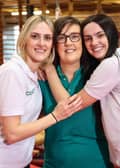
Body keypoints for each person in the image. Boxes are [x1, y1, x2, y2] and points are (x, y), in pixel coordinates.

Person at [43, 14, 120, 168]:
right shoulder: (112, 64)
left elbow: (70, 106)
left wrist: (49, 70)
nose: (94, 42)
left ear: (111, 35)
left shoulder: (109, 66)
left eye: (100, 35)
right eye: (88, 38)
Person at [0, 15, 81, 168]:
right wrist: (55, 116)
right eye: (35, 36)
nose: (41, 43)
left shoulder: (33, 74)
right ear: (24, 39)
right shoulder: (12, 72)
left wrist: (48, 69)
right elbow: (12, 134)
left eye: (47, 38)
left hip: (21, 162)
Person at [38, 16, 113, 168]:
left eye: (75, 37)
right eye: (61, 38)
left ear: (83, 43)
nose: (68, 43)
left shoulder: (100, 74)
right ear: (54, 44)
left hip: (97, 162)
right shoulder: (41, 77)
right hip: (55, 163)